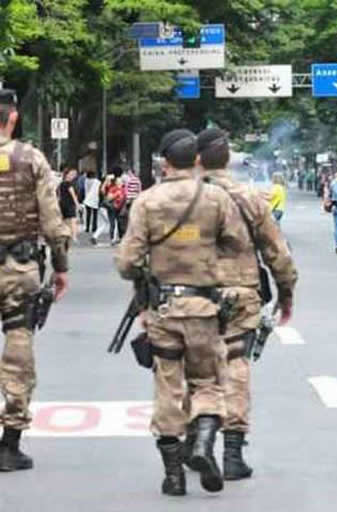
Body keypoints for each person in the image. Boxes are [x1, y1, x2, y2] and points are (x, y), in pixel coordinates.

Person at [115, 129, 250, 496]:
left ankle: (173, 474)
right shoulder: (215, 199)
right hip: (205, 308)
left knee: (167, 384)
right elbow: (237, 243)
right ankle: (205, 443)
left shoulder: (146, 202)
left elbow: (127, 261)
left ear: (163, 162)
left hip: (163, 310)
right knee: (207, 381)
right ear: (196, 161)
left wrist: (147, 276)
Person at [193, 129, 298, 480]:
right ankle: (233, 453)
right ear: (227, 159)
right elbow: (277, 252)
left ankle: (196, 438)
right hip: (240, 294)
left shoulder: (178, 197)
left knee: (192, 368)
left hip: (189, 293)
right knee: (236, 367)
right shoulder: (250, 197)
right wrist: (286, 294)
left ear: (198, 159)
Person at [0, 89, 71, 471]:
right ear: (12, 118)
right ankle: (9, 442)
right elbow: (51, 219)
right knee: (18, 346)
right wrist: (60, 266)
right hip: (17, 268)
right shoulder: (31, 159)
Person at [57, 168, 80, 242]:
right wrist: (77, 204)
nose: (73, 176)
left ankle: (65, 235)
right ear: (67, 175)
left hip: (62, 203)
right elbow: (72, 194)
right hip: (69, 204)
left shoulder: (61, 184)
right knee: (73, 221)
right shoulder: (69, 184)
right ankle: (74, 237)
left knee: (65, 221)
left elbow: (58, 194)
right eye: (71, 174)